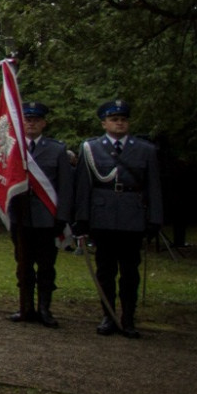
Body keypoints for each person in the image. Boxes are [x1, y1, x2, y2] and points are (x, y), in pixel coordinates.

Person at [72, 100, 162, 338]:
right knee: (105, 270)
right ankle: (108, 315)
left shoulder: (146, 150)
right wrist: (82, 218)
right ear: (104, 123)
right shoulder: (91, 148)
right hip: (102, 216)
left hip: (133, 216)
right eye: (114, 119)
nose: (119, 123)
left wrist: (155, 218)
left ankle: (128, 318)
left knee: (130, 271)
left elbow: (154, 187)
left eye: (122, 119)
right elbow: (83, 187)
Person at [9, 102, 73, 328]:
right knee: (23, 265)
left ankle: (45, 308)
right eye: (27, 120)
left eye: (36, 120)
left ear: (44, 123)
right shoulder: (13, 149)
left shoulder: (56, 150)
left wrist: (62, 217)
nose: (31, 123)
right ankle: (25, 307)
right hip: (21, 217)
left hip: (47, 218)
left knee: (46, 266)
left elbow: (65, 187)